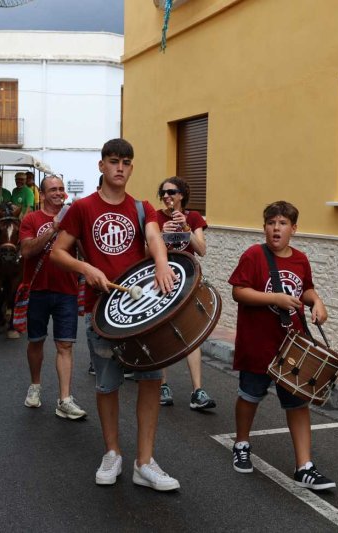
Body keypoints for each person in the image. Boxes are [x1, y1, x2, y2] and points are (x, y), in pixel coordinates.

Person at [51, 138, 181, 492]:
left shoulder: (142, 207)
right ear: (101, 166)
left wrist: (161, 262)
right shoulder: (82, 208)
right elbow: (57, 253)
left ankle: (145, 462)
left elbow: (154, 237)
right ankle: (112, 453)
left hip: (142, 312)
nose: (119, 167)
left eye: (126, 162)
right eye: (113, 161)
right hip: (102, 313)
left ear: (131, 167)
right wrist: (86, 268)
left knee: (151, 381)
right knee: (107, 385)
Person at [228, 201, 335, 490]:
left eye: (283, 223)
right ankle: (241, 443)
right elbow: (239, 291)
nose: (276, 228)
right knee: (249, 395)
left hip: (292, 347)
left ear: (294, 229)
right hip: (258, 344)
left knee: (298, 403)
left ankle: (304, 466)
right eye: (271, 223)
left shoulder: (300, 259)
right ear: (264, 227)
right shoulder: (253, 255)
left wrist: (318, 303)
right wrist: (275, 299)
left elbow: (307, 288)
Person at [19, 175, 86, 420]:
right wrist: (53, 229)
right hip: (37, 290)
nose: (58, 193)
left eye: (61, 189)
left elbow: (85, 253)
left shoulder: (74, 220)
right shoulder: (31, 219)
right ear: (43, 194)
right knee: (36, 341)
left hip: (66, 290)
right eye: (53, 190)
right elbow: (27, 251)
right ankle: (35, 386)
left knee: (65, 345)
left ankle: (64, 399)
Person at [154, 176, 216, 410]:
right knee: (161, 331)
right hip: (161, 279)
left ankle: (197, 391)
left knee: (192, 333)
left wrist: (187, 228)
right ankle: (163, 385)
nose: (166, 197)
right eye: (163, 193)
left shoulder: (194, 217)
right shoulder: (155, 217)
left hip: (188, 281)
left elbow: (201, 250)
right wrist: (161, 233)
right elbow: (144, 250)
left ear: (181, 195)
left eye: (171, 192)